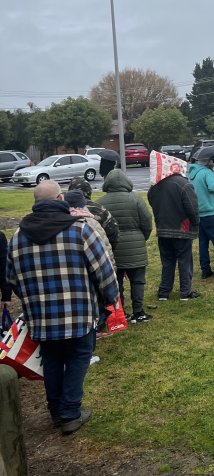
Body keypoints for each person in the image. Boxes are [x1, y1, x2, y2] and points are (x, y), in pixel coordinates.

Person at [7, 180, 119, 435]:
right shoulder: (80, 230)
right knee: (79, 356)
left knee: (52, 359)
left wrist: (32, 299)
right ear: (61, 199)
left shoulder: (18, 237)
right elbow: (104, 271)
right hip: (79, 312)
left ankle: (56, 411)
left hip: (40, 316)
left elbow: (11, 278)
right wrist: (110, 298)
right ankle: (69, 412)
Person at [98, 169, 153, 323]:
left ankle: (120, 312)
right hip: (135, 246)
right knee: (138, 281)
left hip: (113, 248)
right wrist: (142, 238)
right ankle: (138, 312)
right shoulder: (136, 199)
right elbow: (147, 223)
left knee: (117, 282)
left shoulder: (100, 203)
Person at [147, 156, 201, 301]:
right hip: (181, 230)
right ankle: (185, 292)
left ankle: (164, 292)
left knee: (167, 262)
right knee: (185, 261)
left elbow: (151, 201)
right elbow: (192, 208)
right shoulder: (184, 184)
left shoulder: (155, 185)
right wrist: (195, 222)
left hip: (163, 229)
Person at [68, 177, 120, 250]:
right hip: (99, 252)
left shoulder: (64, 209)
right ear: (89, 191)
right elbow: (114, 234)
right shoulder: (100, 210)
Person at [64, 190, 114, 264]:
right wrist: (112, 265)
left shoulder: (60, 221)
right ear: (83, 204)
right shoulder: (92, 222)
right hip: (92, 265)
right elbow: (105, 247)